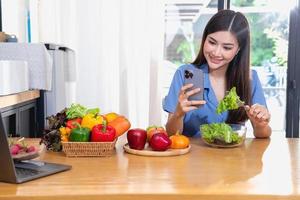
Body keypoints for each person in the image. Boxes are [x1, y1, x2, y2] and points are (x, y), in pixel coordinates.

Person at [163, 9, 271, 138]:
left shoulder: (249, 78)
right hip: (191, 156)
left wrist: (260, 124)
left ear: (238, 49)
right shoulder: (188, 74)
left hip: (232, 157)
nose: (216, 53)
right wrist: (178, 114)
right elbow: (171, 134)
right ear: (205, 38)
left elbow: (263, 135)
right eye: (212, 42)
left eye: (227, 47)